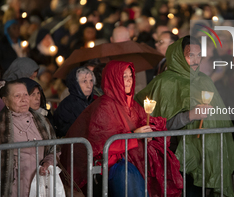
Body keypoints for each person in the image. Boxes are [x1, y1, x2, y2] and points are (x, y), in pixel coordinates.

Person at [61, 60, 183, 197]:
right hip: (115, 167)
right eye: (124, 76)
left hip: (137, 162)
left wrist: (150, 135)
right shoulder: (104, 106)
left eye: (130, 76)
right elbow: (101, 145)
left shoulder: (133, 105)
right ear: (113, 78)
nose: (128, 80)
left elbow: (144, 131)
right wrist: (134, 136)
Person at [135, 36, 234, 196]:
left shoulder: (204, 80)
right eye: (191, 55)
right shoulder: (164, 83)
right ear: (179, 57)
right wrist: (189, 116)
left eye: (199, 55)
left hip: (203, 153)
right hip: (176, 157)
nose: (196, 60)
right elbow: (158, 124)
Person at [0, 80, 59, 196]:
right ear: (5, 101)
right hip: (13, 189)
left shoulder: (42, 121)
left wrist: (47, 163)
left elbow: (54, 149)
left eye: (26, 94)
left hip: (40, 186)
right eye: (17, 96)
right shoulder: (2, 125)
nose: (23, 99)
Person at [53, 67, 94, 137]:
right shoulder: (67, 105)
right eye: (84, 81)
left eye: (91, 81)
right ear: (75, 84)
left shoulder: (93, 102)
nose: (89, 85)